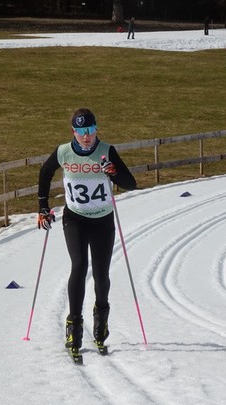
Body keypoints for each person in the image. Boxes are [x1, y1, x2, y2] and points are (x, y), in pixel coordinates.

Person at [37, 108, 137, 360]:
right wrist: (42, 206)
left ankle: (101, 321)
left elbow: (131, 183)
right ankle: (74, 326)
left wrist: (113, 172)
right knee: (79, 266)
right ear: (73, 132)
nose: (86, 137)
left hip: (102, 220)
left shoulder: (106, 150)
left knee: (101, 273)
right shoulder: (63, 152)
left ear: (96, 129)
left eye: (90, 131)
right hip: (75, 218)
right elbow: (45, 172)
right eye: (81, 132)